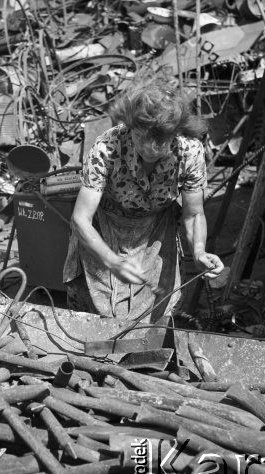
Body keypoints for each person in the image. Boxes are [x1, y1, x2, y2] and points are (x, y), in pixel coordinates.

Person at [63, 79, 224, 322]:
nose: (150, 147)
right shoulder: (107, 147)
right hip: (103, 232)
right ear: (130, 127)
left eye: (160, 140)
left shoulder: (190, 151)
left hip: (155, 234)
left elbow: (193, 214)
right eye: (142, 137)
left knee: (156, 313)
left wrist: (199, 251)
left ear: (175, 133)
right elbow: (80, 219)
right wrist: (112, 261)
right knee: (94, 317)